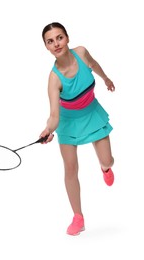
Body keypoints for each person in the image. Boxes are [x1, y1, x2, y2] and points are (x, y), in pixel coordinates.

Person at [40, 22, 115, 236]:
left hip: (91, 113)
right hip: (68, 122)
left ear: (67, 37)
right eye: (50, 41)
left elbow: (93, 63)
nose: (56, 43)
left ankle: (106, 168)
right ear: (46, 47)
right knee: (71, 169)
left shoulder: (81, 53)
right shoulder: (54, 79)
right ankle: (78, 217)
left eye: (59, 37)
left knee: (107, 159)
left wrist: (106, 78)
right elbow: (54, 115)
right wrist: (47, 130)